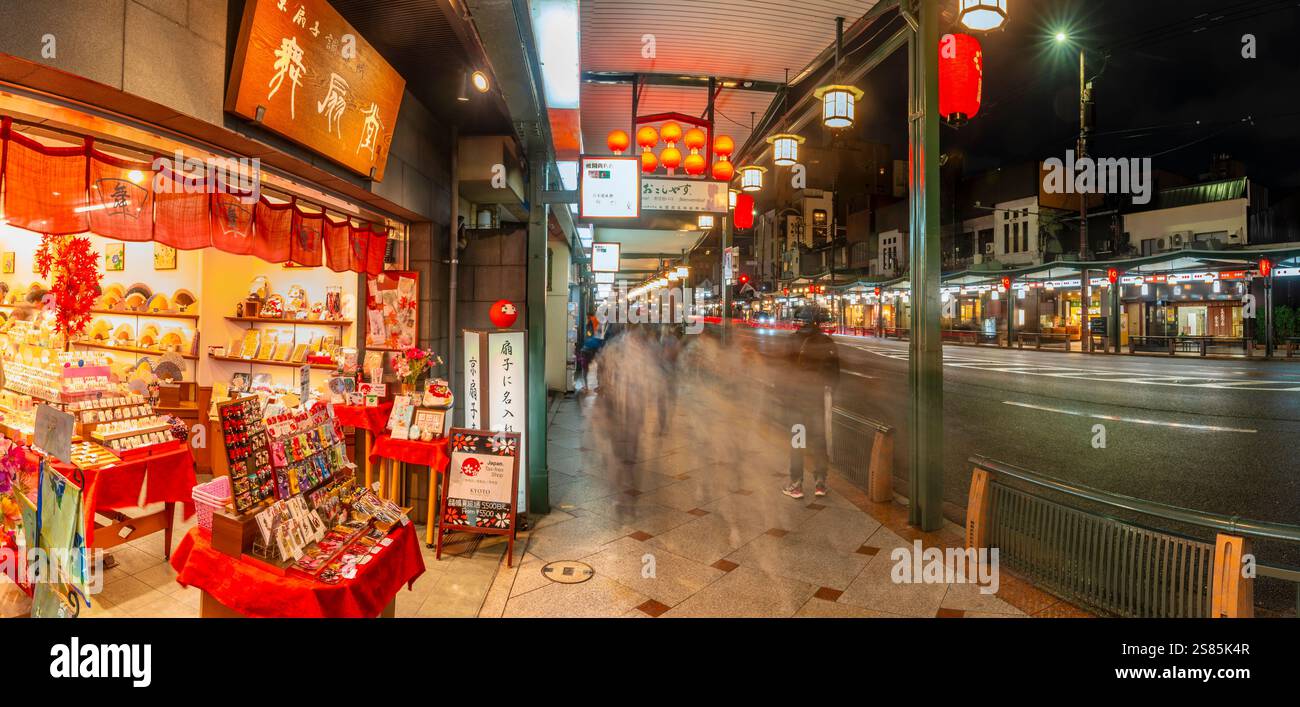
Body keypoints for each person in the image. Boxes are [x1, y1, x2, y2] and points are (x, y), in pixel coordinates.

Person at [782, 306, 840, 499]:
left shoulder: (791, 341)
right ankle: (820, 482)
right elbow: (834, 375)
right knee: (819, 440)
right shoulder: (827, 342)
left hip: (796, 400)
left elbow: (783, 372)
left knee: (797, 441)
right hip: (817, 399)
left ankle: (796, 484)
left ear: (800, 321)